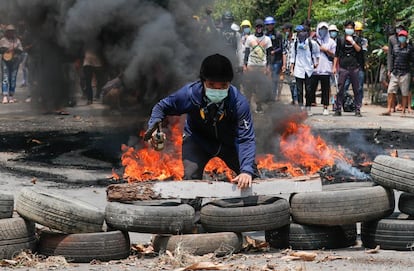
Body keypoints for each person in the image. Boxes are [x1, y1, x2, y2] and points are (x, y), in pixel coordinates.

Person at [144, 54, 258, 190]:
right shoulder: (188, 94)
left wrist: (246, 171)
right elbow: (161, 107)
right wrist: (154, 127)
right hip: (197, 141)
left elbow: (245, 139)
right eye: (211, 85)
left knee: (252, 178)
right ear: (202, 82)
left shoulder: (239, 103)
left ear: (230, 83)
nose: (217, 90)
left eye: (223, 86)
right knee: (190, 184)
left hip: (229, 144)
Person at [333, 20, 363, 117]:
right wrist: (334, 66)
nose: (349, 30)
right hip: (343, 67)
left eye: (351, 28)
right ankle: (338, 108)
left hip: (354, 67)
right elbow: (336, 54)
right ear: (344, 28)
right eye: (347, 28)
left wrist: (353, 42)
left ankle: (357, 109)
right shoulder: (340, 39)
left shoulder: (357, 39)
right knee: (340, 88)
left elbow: (359, 49)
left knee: (356, 89)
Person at [381, 30, 414, 116]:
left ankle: (403, 110)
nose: (401, 38)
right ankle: (388, 109)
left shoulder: (410, 48)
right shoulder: (395, 47)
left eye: (403, 36)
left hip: (405, 73)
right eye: (400, 36)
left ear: (406, 38)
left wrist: (412, 73)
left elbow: (412, 61)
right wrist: (390, 70)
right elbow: (391, 58)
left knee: (404, 93)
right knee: (390, 91)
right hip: (395, 72)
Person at [243, 19, 272, 113]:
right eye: (257, 27)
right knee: (249, 87)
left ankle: (259, 106)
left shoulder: (267, 39)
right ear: (255, 28)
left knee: (260, 88)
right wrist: (245, 64)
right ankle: (247, 106)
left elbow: (269, 54)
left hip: (262, 66)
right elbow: (247, 53)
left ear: (263, 28)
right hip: (251, 65)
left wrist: (268, 66)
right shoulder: (250, 38)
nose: (259, 28)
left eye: (260, 27)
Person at [289, 24, 320, 115]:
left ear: (305, 33)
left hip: (308, 69)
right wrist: (292, 68)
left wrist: (316, 62)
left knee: (309, 89)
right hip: (298, 69)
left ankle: (308, 107)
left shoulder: (311, 43)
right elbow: (292, 56)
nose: (299, 34)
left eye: (301, 32)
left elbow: (316, 53)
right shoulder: (295, 43)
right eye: (298, 32)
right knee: (299, 90)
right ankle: (300, 107)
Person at [310, 22, 336, 116]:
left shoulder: (331, 42)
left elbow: (335, 55)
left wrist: (326, 50)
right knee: (311, 89)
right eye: (321, 29)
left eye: (325, 29)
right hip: (314, 69)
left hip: (326, 68)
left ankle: (325, 107)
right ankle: (309, 106)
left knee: (325, 89)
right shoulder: (312, 41)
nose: (323, 31)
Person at [344, 21, 368, 106]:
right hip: (348, 66)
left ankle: (358, 103)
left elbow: (362, 50)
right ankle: (344, 102)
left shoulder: (363, 41)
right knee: (345, 85)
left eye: (359, 31)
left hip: (359, 66)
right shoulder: (346, 39)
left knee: (359, 87)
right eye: (356, 31)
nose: (358, 33)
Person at [0, 24, 23, 104]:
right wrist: (6, 49)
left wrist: (15, 49)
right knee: (5, 78)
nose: (10, 33)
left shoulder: (17, 41)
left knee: (13, 78)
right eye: (9, 31)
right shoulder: (3, 40)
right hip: (5, 61)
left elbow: (21, 50)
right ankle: (5, 96)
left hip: (15, 61)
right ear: (6, 32)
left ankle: (11, 96)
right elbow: (1, 49)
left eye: (12, 31)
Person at [264, 16, 284, 101]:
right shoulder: (264, 35)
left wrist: (274, 51)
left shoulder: (278, 34)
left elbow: (281, 47)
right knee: (266, 78)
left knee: (275, 78)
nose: (270, 26)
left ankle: (273, 95)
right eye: (268, 24)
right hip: (267, 59)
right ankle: (267, 95)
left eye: (271, 24)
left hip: (276, 60)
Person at [281, 22, 297, 104]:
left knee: (295, 82)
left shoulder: (296, 39)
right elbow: (284, 52)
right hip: (287, 64)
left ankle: (296, 99)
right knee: (291, 83)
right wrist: (284, 65)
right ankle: (294, 100)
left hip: (295, 64)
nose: (284, 31)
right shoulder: (285, 39)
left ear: (289, 30)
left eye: (285, 29)